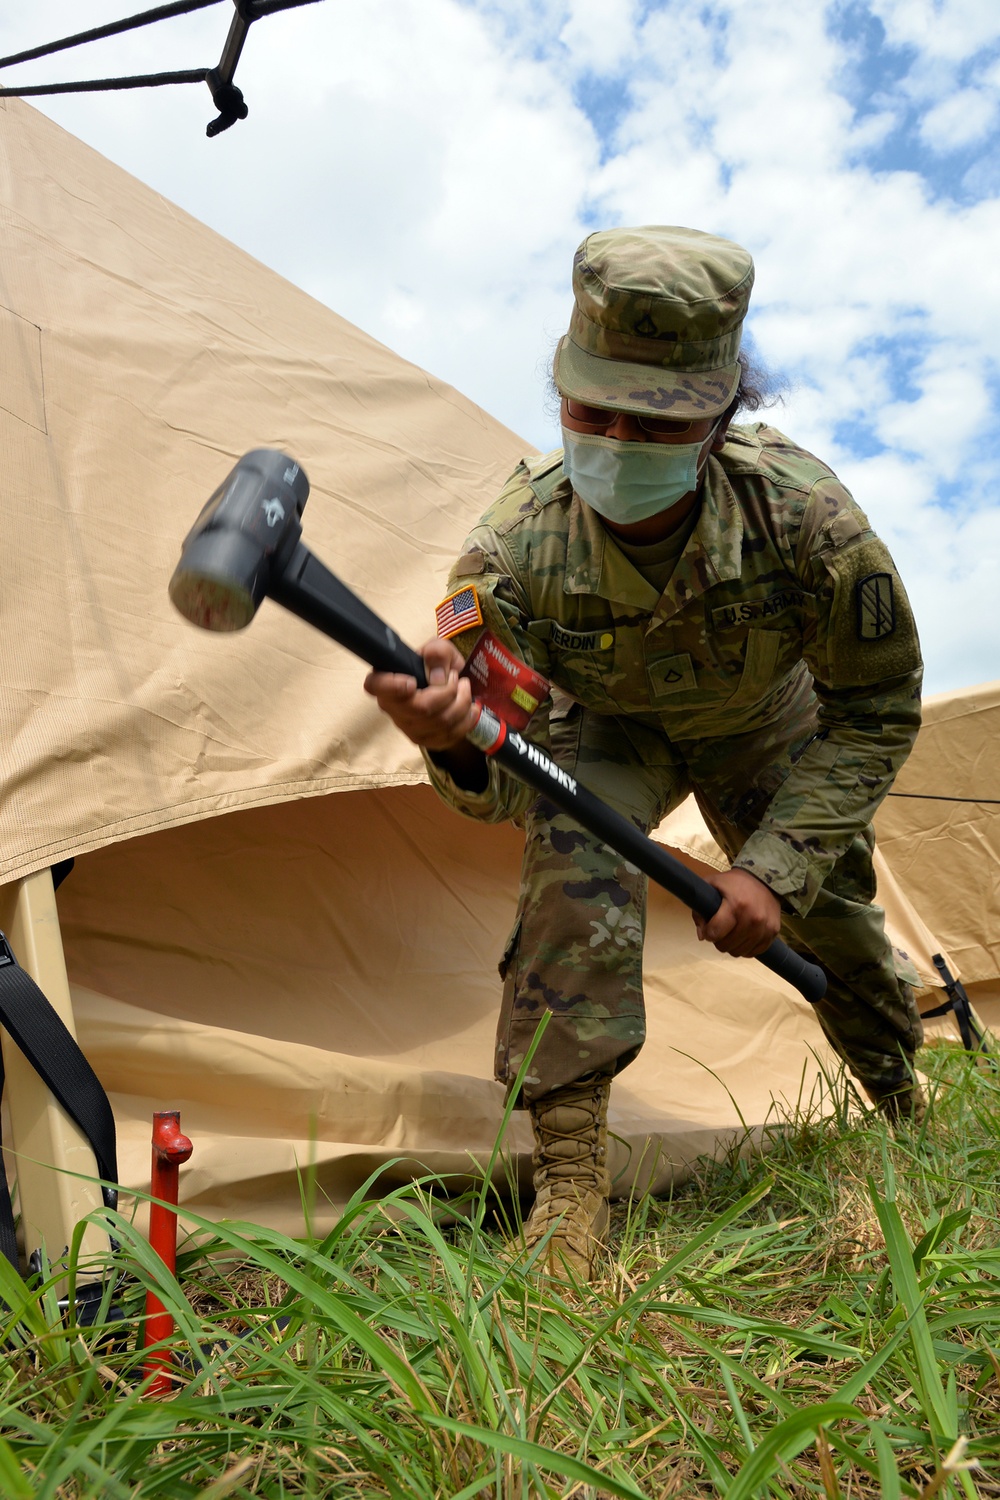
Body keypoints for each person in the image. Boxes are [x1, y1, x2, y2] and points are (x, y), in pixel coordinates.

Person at [365, 225, 925, 1280]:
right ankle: (569, 1191)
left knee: (830, 915)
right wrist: (457, 742)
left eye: (656, 417)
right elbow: (501, 782)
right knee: (569, 858)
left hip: (766, 717)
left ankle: (900, 1100)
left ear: (720, 414)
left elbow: (879, 704)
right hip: (611, 727)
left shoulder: (809, 522)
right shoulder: (510, 553)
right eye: (589, 407)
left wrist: (773, 868)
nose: (615, 437)